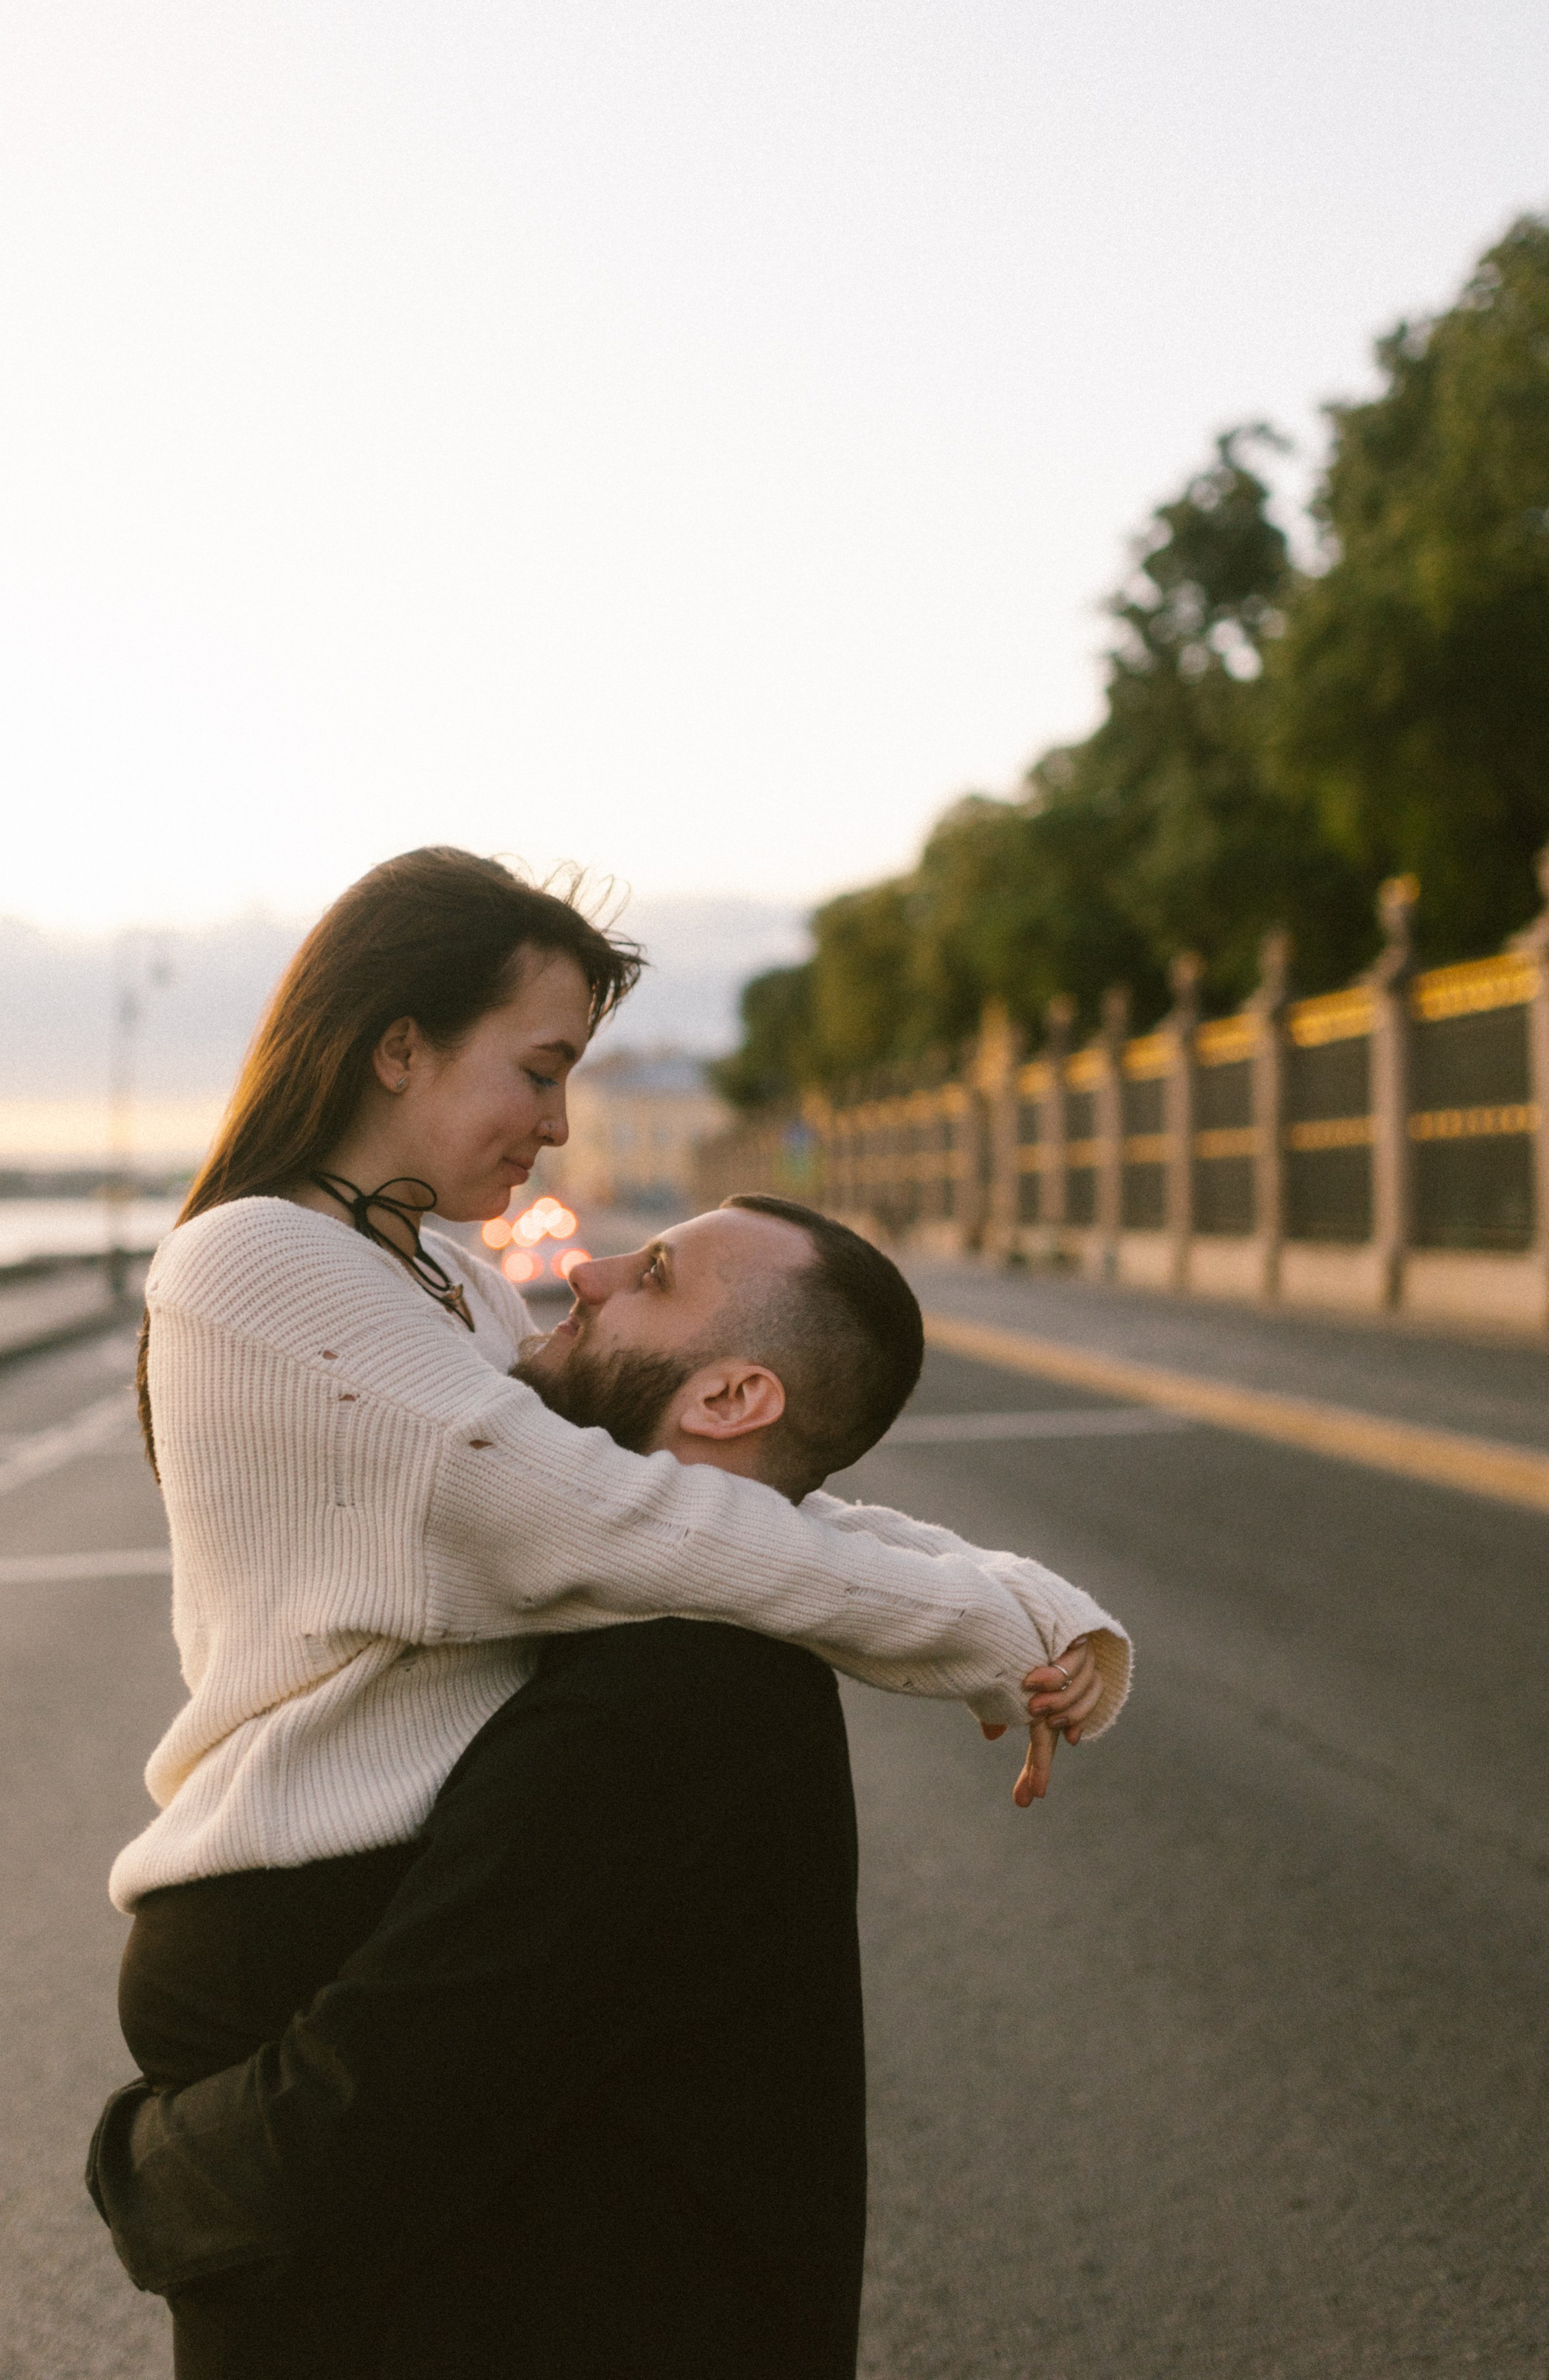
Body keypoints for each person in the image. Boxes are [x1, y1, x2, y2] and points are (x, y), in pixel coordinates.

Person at [103, 846, 1131, 2371]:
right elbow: (603, 1516)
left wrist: (1012, 1594)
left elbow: (675, 1487)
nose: (559, 1122)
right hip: (283, 1909)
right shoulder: (260, 1258)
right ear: (399, 1044)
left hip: (397, 1885)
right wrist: (980, 1628)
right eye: (537, 1067)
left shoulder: (439, 1271)